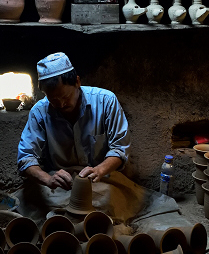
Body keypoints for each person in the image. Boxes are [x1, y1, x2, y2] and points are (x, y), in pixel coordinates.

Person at [17, 52, 130, 191]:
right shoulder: (39, 112)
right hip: (60, 185)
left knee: (109, 203)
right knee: (39, 203)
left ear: (77, 82)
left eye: (66, 96)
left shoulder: (106, 101)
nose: (62, 104)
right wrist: (48, 179)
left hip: (100, 179)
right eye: (53, 101)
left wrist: (99, 170)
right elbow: (26, 158)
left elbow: (120, 149)